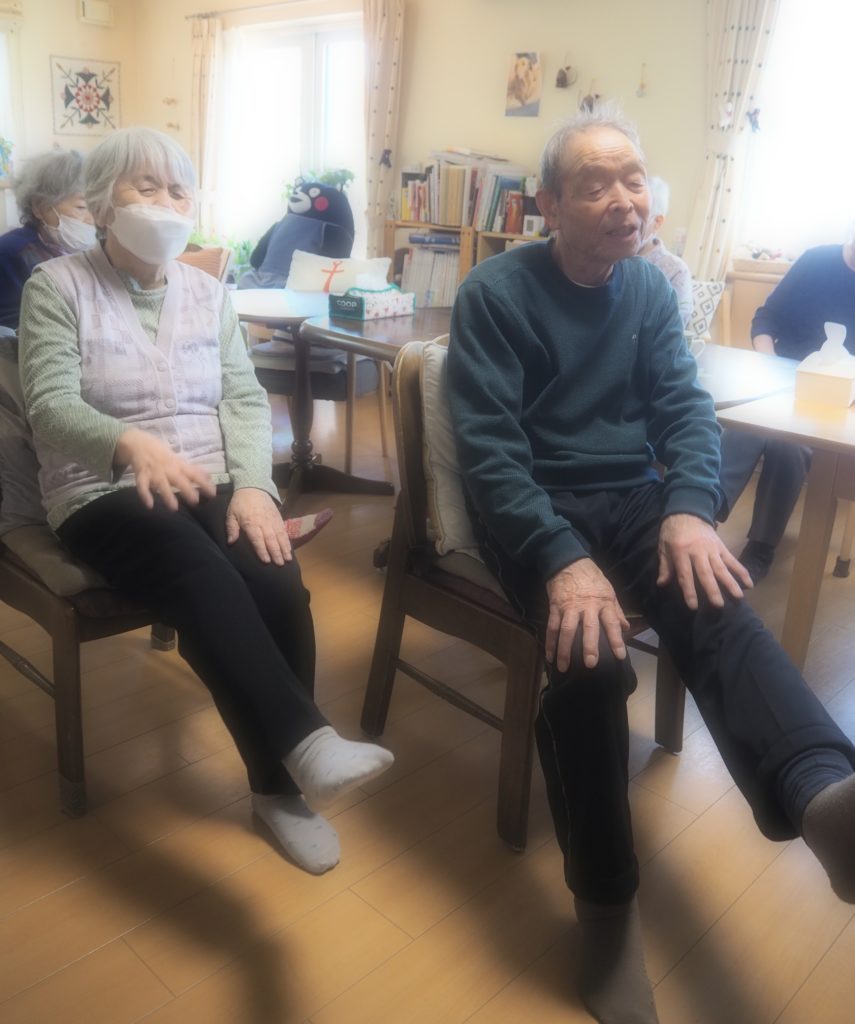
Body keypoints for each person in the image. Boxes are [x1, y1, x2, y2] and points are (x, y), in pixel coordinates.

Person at [446, 106, 855, 1024]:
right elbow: (490, 455)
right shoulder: (495, 294)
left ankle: (824, 799)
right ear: (548, 204)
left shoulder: (648, 290)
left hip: (630, 496)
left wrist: (688, 510)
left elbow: (684, 412)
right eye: (593, 184)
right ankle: (604, 909)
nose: (622, 201)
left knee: (715, 598)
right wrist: (561, 559)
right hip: (530, 507)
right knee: (589, 665)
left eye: (632, 179)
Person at [17, 127, 393, 876]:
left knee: (276, 578)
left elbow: (245, 402)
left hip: (208, 478)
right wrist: (129, 445)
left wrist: (253, 487)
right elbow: (49, 405)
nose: (165, 202)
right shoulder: (54, 287)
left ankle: (278, 789)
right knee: (196, 567)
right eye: (144, 186)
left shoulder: (209, 293)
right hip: (99, 489)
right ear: (101, 203)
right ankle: (306, 745)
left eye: (178, 189)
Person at [718, 239, 855, 582]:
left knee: (789, 444)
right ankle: (701, 518)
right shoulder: (817, 260)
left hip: (836, 394)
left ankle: (762, 546)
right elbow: (766, 318)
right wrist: (769, 364)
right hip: (779, 375)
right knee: (744, 427)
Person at [0, 149, 96, 329]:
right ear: (39, 207)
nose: (92, 220)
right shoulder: (11, 253)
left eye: (96, 207)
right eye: (82, 207)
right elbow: (13, 326)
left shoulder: (93, 250)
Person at [638, 175, 693, 326]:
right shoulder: (609, 260)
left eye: (638, 215)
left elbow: (675, 327)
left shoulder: (676, 270)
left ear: (657, 222)